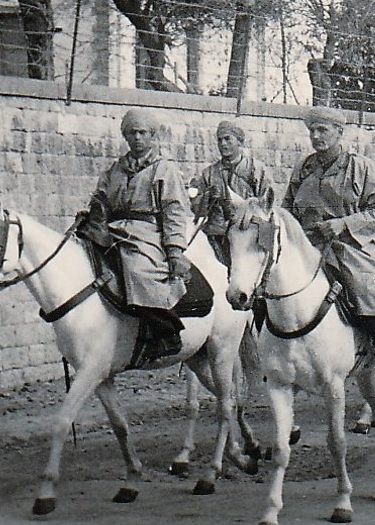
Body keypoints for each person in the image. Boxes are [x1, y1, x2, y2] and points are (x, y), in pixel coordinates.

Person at [283, 106, 375, 385]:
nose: (316, 136)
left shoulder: (360, 167)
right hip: (308, 244)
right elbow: (287, 206)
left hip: (349, 245)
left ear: (339, 133)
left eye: (322, 130)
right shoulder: (304, 167)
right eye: (312, 131)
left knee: (362, 286)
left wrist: (342, 224)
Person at [81, 108, 192, 364]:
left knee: (137, 270)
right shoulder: (115, 170)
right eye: (132, 133)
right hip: (112, 229)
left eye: (143, 133)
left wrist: (175, 250)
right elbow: (101, 198)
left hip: (145, 232)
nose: (138, 138)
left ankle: (167, 331)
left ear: (153, 136)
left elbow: (174, 211)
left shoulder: (164, 169)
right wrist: (94, 213)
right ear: (125, 137)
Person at [190, 120, 273, 265]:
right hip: (217, 238)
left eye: (228, 139)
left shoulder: (256, 169)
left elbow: (267, 207)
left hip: (248, 237)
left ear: (240, 142)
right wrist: (208, 198)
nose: (223, 144)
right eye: (220, 140)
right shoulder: (209, 173)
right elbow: (196, 209)